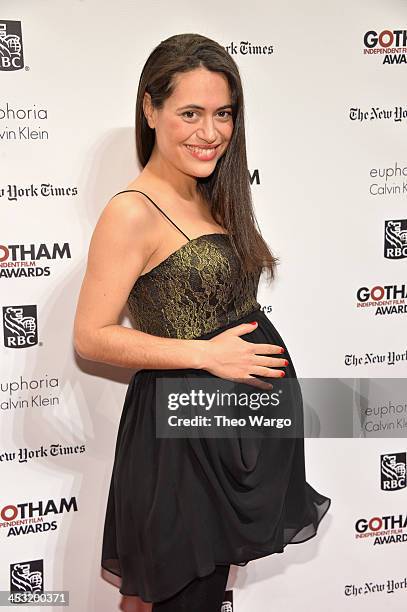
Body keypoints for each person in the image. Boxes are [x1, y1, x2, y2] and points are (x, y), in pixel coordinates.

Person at [73, 33, 331, 612]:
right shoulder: (132, 211)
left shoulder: (213, 196)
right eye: (190, 113)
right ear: (150, 108)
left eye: (223, 114)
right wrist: (207, 355)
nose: (209, 132)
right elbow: (91, 336)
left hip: (227, 433)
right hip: (180, 443)